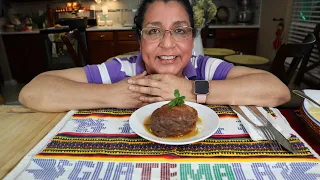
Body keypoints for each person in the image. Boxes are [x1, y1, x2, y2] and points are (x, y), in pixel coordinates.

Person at [19, 0, 290, 112]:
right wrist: (111, 94)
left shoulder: (203, 68)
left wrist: (192, 89)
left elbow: (277, 90)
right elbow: (31, 92)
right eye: (154, 31)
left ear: (192, 37)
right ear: (139, 39)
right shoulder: (121, 71)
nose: (168, 44)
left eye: (180, 31)